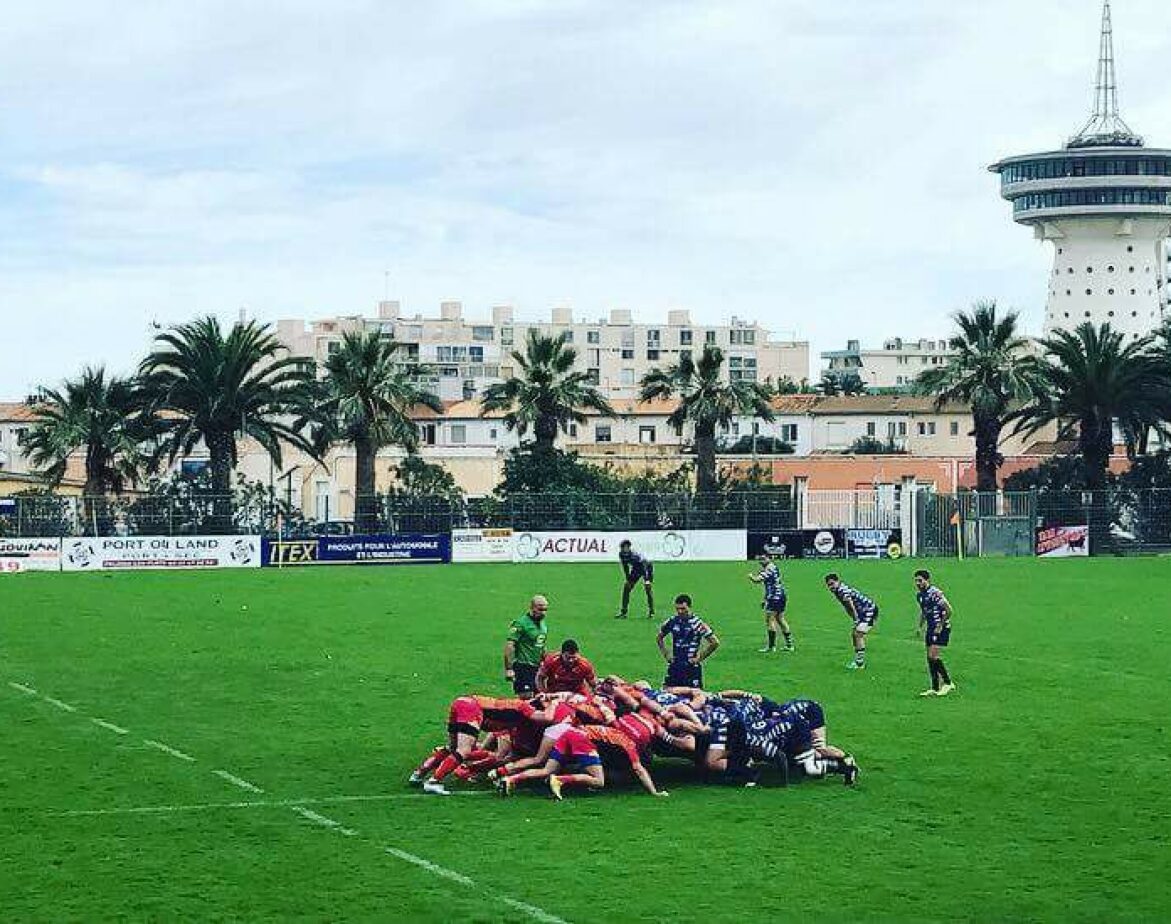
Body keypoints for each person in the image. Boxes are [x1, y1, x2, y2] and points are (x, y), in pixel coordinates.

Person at [656, 594, 720, 689]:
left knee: (695, 694)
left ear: (689, 607)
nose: (680, 611)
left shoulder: (697, 623)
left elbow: (715, 642)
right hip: (675, 665)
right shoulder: (672, 621)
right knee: (666, 692)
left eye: (683, 609)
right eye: (677, 609)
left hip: (691, 667)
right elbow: (659, 638)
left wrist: (699, 658)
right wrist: (666, 654)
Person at [914, 569, 956, 697]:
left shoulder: (935, 594)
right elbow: (924, 611)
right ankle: (935, 687)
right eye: (916, 581)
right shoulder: (920, 596)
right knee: (929, 658)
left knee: (933, 656)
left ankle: (948, 683)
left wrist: (940, 625)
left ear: (927, 580)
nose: (918, 583)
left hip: (941, 628)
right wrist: (920, 626)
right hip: (931, 628)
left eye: (920, 580)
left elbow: (949, 610)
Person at [824, 574, 879, 670]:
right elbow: (847, 607)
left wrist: (856, 619)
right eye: (828, 585)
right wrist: (855, 619)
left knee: (858, 633)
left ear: (838, 581)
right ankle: (858, 659)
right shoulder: (838, 590)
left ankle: (859, 663)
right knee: (854, 634)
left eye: (832, 584)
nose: (831, 587)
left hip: (869, 610)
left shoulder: (842, 591)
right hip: (862, 611)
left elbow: (850, 606)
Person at [748, 551, 794, 653]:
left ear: (769, 559)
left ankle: (771, 647)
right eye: (760, 559)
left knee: (770, 620)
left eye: (763, 559)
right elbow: (769, 586)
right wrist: (765, 599)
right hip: (780, 596)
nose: (761, 561)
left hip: (775, 598)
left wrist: (751, 576)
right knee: (780, 619)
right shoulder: (772, 567)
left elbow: (757, 580)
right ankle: (790, 645)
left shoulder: (769, 568)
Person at [504, 595, 549, 695]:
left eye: (545, 610)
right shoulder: (520, 624)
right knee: (526, 697)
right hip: (523, 667)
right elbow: (510, 645)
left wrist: (547, 662)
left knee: (540, 698)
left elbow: (541, 645)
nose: (543, 613)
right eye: (540, 609)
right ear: (532, 608)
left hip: (537, 668)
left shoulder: (543, 625)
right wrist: (509, 669)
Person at [617, 539, 655, 619]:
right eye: (624, 547)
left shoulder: (634, 555)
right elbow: (625, 566)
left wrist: (647, 580)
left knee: (648, 589)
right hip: (636, 569)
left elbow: (644, 566)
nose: (625, 549)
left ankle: (651, 612)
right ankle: (623, 612)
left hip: (646, 568)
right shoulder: (621, 554)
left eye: (627, 547)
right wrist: (628, 579)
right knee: (626, 587)